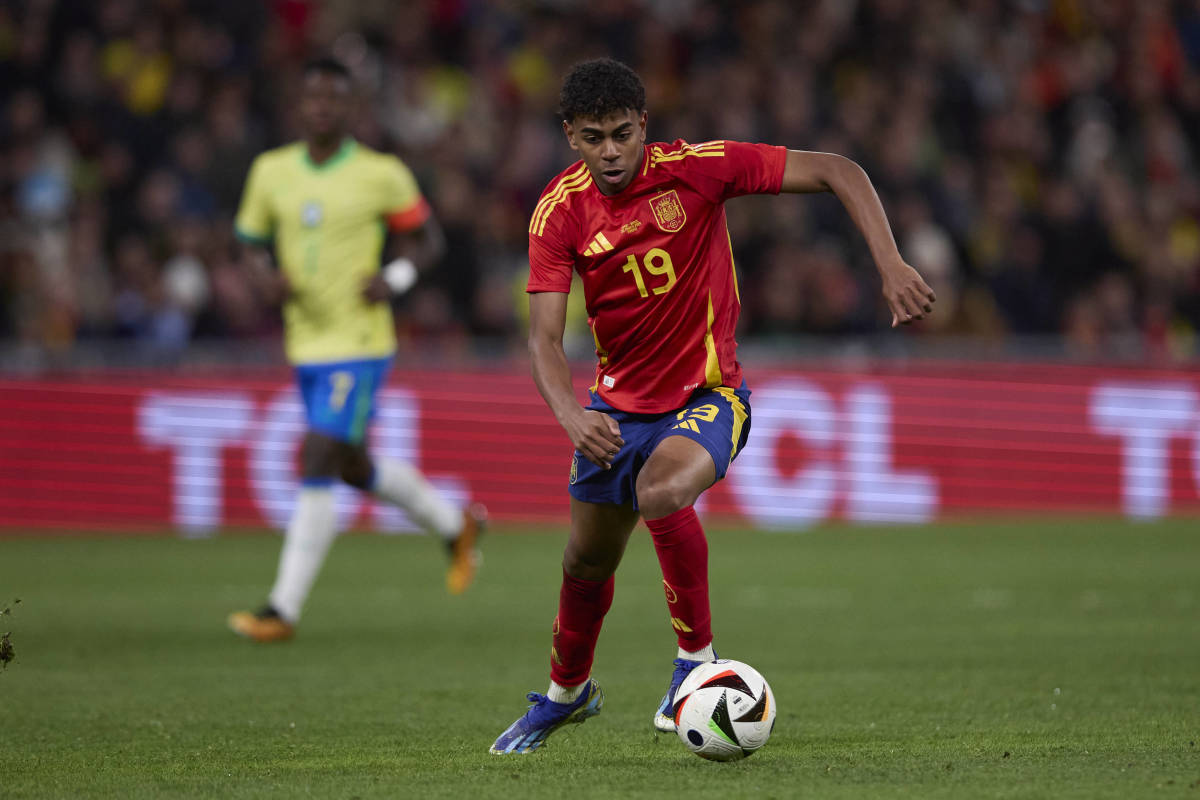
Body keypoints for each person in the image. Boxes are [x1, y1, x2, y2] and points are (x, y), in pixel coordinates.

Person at [490, 58, 935, 754]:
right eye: (592, 137)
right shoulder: (558, 212)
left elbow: (839, 169)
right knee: (584, 563)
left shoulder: (701, 169)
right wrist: (574, 416)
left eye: (620, 134)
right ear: (569, 135)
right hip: (615, 411)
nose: (610, 152)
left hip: (708, 396)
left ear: (644, 125)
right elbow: (544, 340)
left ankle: (695, 666)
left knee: (661, 490)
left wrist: (891, 263)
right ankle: (566, 695)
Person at [226, 57, 484, 643]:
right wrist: (263, 276)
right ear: (300, 104)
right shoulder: (271, 171)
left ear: (349, 107)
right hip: (305, 342)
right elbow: (247, 243)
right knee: (352, 465)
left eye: (333, 98)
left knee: (317, 455)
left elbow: (427, 239)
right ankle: (453, 525)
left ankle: (281, 609)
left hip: (360, 342)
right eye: (312, 97)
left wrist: (392, 280)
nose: (321, 107)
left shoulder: (380, 173)